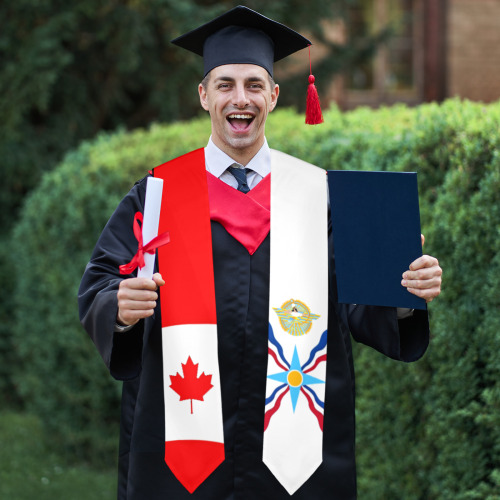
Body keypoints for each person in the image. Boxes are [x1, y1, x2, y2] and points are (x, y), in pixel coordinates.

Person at [78, 6, 442, 500]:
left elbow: (358, 306)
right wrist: (118, 307)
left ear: (273, 95)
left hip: (297, 450)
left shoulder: (319, 195)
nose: (240, 98)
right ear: (204, 95)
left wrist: (403, 292)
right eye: (225, 84)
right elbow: (101, 282)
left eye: (253, 84)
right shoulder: (160, 194)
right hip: (182, 448)